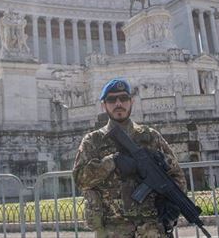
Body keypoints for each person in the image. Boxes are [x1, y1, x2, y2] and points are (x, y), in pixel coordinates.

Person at [73, 78, 187, 237]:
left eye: (123, 98)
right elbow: (79, 179)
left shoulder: (151, 137)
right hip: (113, 229)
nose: (118, 103)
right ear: (103, 105)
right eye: (112, 99)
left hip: (152, 228)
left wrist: (172, 206)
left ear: (131, 101)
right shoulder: (93, 141)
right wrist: (111, 161)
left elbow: (177, 175)